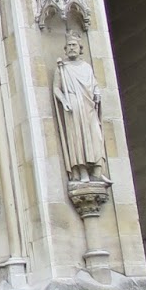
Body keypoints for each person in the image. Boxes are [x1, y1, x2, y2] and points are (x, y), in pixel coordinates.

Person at [52, 33, 107, 182]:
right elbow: (56, 88)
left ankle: (97, 169)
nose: (71, 48)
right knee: (78, 138)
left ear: (80, 48)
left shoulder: (86, 67)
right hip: (73, 105)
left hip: (88, 105)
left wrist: (96, 93)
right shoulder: (62, 68)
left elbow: (94, 84)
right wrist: (64, 101)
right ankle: (82, 171)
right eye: (69, 46)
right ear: (65, 49)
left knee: (96, 134)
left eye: (74, 45)